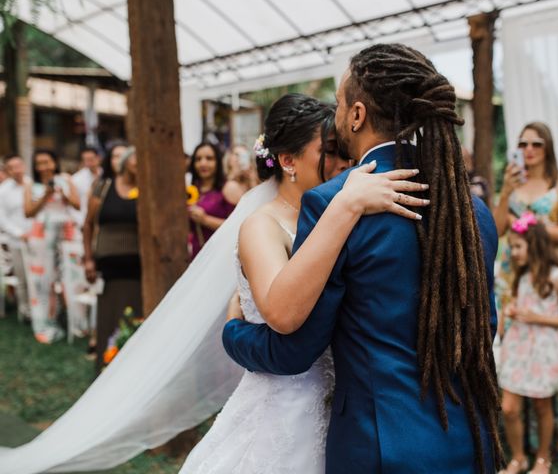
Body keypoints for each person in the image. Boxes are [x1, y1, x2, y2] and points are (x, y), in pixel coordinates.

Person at [0, 96, 424, 474]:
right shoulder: (263, 226)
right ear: (289, 160)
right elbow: (285, 315)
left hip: (342, 409)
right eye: (329, 153)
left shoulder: (341, 216)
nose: (343, 164)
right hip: (284, 406)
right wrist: (236, 329)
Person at [222, 44, 501, 473]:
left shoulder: (333, 204)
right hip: (469, 441)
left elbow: (297, 349)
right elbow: (485, 326)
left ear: (356, 114)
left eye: (337, 104)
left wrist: (233, 333)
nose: (335, 118)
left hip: (381, 449)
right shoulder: (471, 210)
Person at [493, 121, 558, 457]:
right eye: (523, 144)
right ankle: (516, 441)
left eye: (536, 143)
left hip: (548, 276)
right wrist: (506, 192)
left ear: (547, 147)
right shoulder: (513, 182)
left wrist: (531, 226)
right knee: (515, 348)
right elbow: (496, 230)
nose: (529, 149)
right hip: (513, 277)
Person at [499, 215, 558, 474]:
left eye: (518, 247)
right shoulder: (521, 275)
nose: (513, 252)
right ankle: (519, 457)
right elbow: (520, 304)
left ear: (534, 246)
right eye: (512, 246)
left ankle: (543, 458)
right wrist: (513, 311)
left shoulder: (557, 277)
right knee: (509, 407)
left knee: (542, 406)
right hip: (518, 346)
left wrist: (537, 317)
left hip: (544, 349)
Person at [82, 144, 142, 373]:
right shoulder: (104, 187)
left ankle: (133, 372)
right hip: (109, 270)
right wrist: (88, 259)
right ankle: (104, 371)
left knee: (136, 319)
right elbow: (87, 224)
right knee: (108, 319)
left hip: (138, 269)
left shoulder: (146, 190)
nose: (139, 165)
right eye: (135, 159)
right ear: (125, 161)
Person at [23, 149, 80, 343]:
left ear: (54, 162)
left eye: (47, 162)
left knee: (72, 278)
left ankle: (76, 321)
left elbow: (77, 204)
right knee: (42, 282)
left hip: (66, 233)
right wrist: (46, 195)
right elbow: (28, 212)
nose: (44, 166)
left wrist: (63, 194)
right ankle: (45, 322)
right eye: (39, 163)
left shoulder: (65, 179)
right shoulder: (31, 184)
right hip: (42, 236)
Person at [187, 142, 235, 258]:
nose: (203, 163)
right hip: (196, 255)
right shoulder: (191, 190)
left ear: (218, 162)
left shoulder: (229, 188)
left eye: (209, 158)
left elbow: (238, 227)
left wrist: (205, 219)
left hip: (221, 256)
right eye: (198, 159)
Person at [0, 155, 32, 320]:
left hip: (36, 239)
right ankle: (24, 311)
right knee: (22, 278)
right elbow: (2, 219)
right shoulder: (3, 191)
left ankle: (39, 310)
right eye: (12, 167)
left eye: (19, 165)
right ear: (8, 170)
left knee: (36, 277)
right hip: (16, 241)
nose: (17, 170)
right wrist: (20, 233)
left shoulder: (32, 184)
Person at [71, 146, 102, 227]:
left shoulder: (106, 174)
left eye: (91, 159)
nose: (89, 163)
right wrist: (80, 221)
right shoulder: (76, 179)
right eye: (86, 160)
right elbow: (74, 203)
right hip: (84, 220)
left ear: (98, 158)